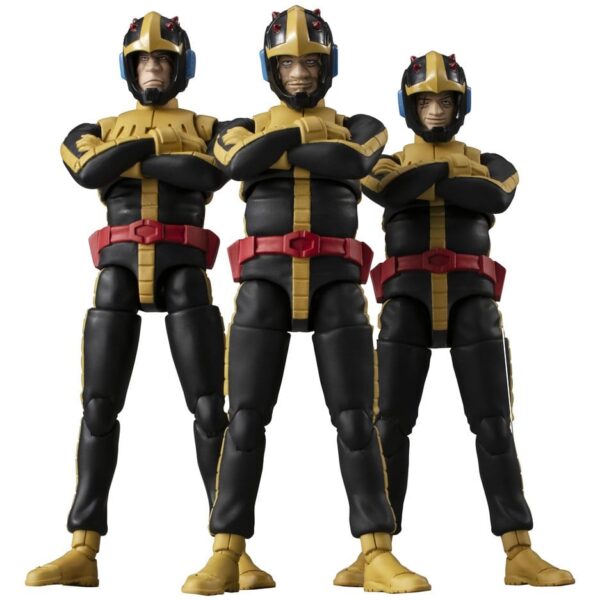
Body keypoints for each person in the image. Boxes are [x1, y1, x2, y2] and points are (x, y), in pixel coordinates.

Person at [180, 6, 430, 595]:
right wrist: (304, 138)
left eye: (309, 63)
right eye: (288, 63)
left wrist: (279, 147)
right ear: (271, 68)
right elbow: (236, 161)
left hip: (337, 281)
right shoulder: (237, 126)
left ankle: (376, 551)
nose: (298, 73)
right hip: (263, 280)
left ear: (327, 67)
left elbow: (355, 160)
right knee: (244, 417)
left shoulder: (362, 124)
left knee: (357, 418)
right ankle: (227, 551)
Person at [25, 11, 272, 590]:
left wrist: (132, 156)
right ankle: (82, 546)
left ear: (181, 67)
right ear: (129, 68)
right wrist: (161, 146)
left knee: (211, 410)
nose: (153, 68)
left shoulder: (212, 126)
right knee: (97, 409)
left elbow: (212, 173)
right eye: (144, 61)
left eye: (163, 59)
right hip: (117, 274)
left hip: (185, 271)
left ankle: (231, 550)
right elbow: (89, 170)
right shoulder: (96, 127)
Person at [334, 50, 574, 589]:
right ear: (409, 107)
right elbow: (387, 190)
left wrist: (429, 180)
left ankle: (518, 549)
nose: (436, 111)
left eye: (445, 101)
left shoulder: (490, 161)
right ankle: (374, 551)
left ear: (461, 105)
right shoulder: (387, 162)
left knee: (493, 424)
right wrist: (450, 178)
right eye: (426, 102)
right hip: (406, 300)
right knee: (387, 426)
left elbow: (496, 195)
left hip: (472, 300)